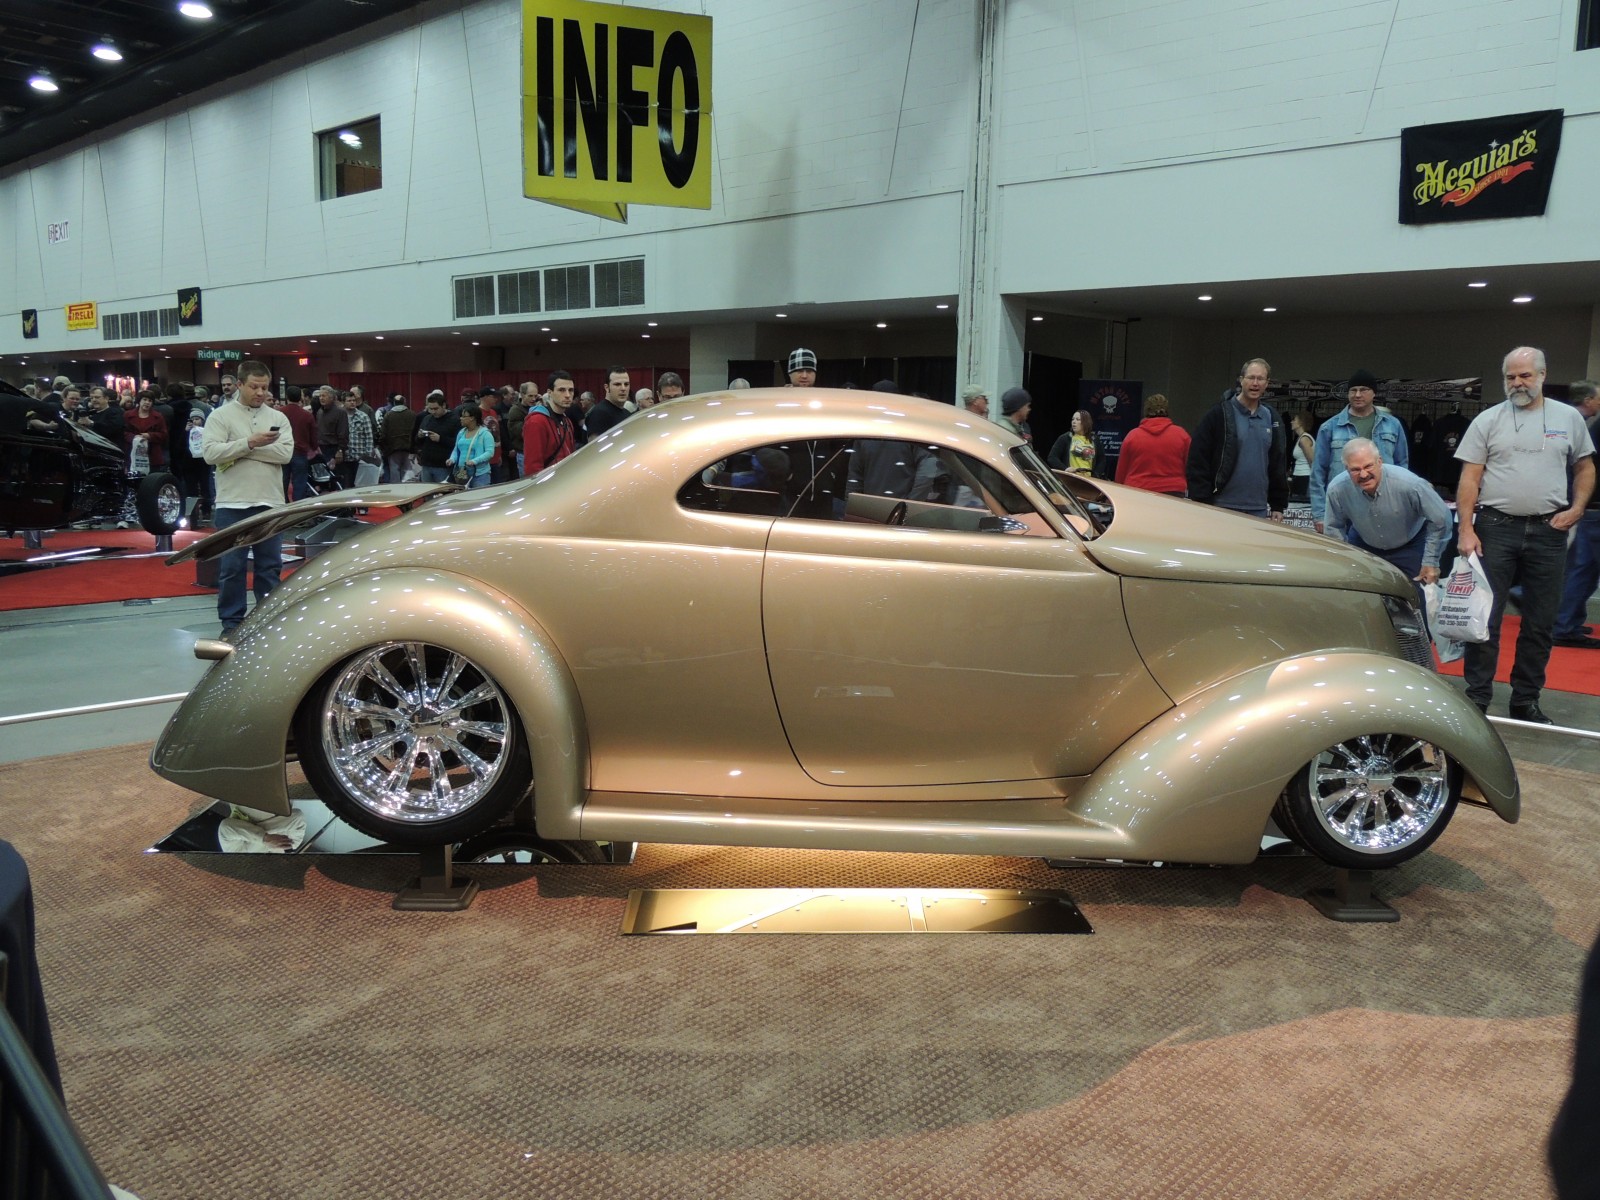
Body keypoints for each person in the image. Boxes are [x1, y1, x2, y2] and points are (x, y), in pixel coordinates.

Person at [1454, 346, 1595, 723]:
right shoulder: (1487, 420)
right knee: (1485, 618)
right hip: (1494, 528)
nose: (1517, 383)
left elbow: (1584, 467)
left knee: (1541, 621)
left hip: (1550, 531)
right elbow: (1470, 477)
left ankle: (1525, 700)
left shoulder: (1568, 418)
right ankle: (1477, 697)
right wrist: (1465, 529)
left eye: (1525, 375)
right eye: (1510, 377)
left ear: (1542, 375)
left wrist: (1577, 509)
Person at [199, 361, 292, 638]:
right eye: (254, 387)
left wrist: (240, 448)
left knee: (270, 566)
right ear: (239, 384)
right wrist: (250, 442)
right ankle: (231, 624)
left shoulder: (279, 418)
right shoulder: (220, 417)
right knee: (231, 568)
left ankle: (267, 620)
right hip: (232, 504)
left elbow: (285, 454)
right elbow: (211, 454)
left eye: (264, 387)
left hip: (270, 503)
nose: (260, 392)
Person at [1323, 438, 1452, 616]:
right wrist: (1341, 564)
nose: (1363, 474)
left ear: (1380, 462)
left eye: (1368, 466)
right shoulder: (1337, 489)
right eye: (1355, 469)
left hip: (1412, 543)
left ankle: (1418, 635)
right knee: (1358, 599)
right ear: (1346, 469)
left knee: (1418, 603)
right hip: (1364, 542)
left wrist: (1431, 561)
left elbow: (1441, 519)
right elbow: (1333, 528)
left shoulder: (1410, 484)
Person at [1186, 357, 1288, 520]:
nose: (1255, 383)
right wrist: (1201, 498)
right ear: (1241, 380)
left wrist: (1278, 504)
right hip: (1220, 506)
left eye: (1260, 379)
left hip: (1258, 509)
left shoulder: (1272, 418)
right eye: (1251, 377)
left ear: (1267, 383)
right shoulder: (1218, 415)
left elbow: (1277, 463)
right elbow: (1198, 458)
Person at [1309, 370, 1408, 531]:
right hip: (1342, 507)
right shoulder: (1330, 427)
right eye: (1353, 390)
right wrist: (1320, 514)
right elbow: (1318, 472)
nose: (1357, 394)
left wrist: (1400, 502)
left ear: (1374, 393)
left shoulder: (1392, 425)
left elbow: (1402, 466)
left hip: (1384, 503)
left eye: (1363, 390)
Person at [1552, 380, 1600, 649]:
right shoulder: (1582, 424)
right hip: (1591, 508)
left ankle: (1567, 622)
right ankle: (1565, 624)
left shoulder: (1585, 425)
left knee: (1583, 569)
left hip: (1588, 507)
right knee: (1583, 570)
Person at [1114, 394, 1190, 496]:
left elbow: (1121, 471)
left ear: (1146, 411)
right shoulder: (1181, 435)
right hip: (1174, 490)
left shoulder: (1133, 436)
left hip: (1137, 490)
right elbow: (1190, 466)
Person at [522, 370, 577, 474]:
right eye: (561, 390)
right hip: (548, 482)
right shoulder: (536, 421)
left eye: (571, 390)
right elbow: (532, 467)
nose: (567, 395)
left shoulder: (567, 421)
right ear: (550, 392)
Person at [275, 386, 316, 501]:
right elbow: (313, 435)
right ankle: (298, 506)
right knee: (300, 483)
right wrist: (314, 447)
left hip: (282, 451)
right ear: (300, 398)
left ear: (286, 397)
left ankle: (283, 505)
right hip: (300, 453)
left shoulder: (279, 413)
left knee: (282, 482)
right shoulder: (307, 415)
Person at [446, 403, 495, 489]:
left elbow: (489, 453)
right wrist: (452, 459)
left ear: (472, 418)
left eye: (463, 416)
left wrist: (474, 461)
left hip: (480, 475)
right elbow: (456, 450)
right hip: (462, 474)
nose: (460, 418)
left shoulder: (485, 433)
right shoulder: (461, 432)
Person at [413, 391, 458, 483]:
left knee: (442, 491)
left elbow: (458, 443)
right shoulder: (427, 419)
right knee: (426, 491)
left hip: (443, 465)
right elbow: (417, 441)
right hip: (426, 464)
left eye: (436, 409)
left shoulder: (454, 419)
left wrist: (440, 439)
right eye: (430, 409)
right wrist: (420, 436)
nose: (433, 412)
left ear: (444, 405)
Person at [377, 393, 417, 483]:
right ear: (404, 402)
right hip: (409, 450)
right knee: (408, 475)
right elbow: (415, 433)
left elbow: (383, 434)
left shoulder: (388, 415)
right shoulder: (412, 414)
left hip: (393, 450)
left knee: (394, 474)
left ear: (394, 403)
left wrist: (384, 449)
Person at [341, 392, 379, 486]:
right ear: (343, 402)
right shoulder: (340, 416)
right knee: (347, 484)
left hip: (360, 457)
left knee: (360, 485)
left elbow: (369, 437)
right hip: (345, 457)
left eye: (354, 400)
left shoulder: (363, 416)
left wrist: (367, 456)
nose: (352, 402)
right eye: (349, 401)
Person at [585, 367, 632, 439]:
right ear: (607, 388)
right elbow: (595, 444)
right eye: (617, 384)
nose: (623, 388)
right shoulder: (599, 413)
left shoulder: (627, 413)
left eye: (626, 384)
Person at [1048, 410, 1095, 474]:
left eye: (1078, 419)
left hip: (1089, 479)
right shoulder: (1065, 438)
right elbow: (1052, 457)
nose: (1074, 422)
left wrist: (1096, 474)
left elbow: (1101, 459)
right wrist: (1065, 469)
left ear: (1086, 422)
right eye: (1073, 419)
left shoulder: (1094, 439)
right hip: (1072, 477)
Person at [1288, 410, 1316, 502]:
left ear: (1300, 422)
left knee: (1301, 504)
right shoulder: (1301, 438)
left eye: (1294, 420)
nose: (1291, 422)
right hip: (1300, 476)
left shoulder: (1304, 440)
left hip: (1304, 478)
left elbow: (1312, 461)